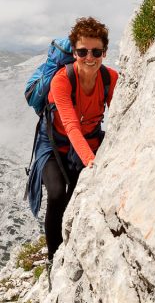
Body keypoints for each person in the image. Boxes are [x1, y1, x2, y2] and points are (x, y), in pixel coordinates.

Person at [40, 17, 118, 267]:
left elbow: (121, 116)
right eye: (82, 51)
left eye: (96, 51)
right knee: (55, 195)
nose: (89, 58)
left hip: (87, 144)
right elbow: (72, 126)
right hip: (54, 145)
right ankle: (53, 259)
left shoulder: (110, 79)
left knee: (75, 197)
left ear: (104, 52)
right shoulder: (61, 80)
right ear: (74, 52)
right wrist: (92, 162)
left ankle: (71, 247)